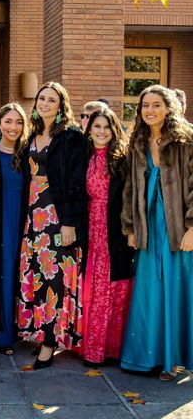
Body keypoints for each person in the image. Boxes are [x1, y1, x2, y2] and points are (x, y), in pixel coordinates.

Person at [121, 84, 193, 381]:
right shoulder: (136, 142)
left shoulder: (186, 141)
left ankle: (175, 360)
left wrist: (192, 227)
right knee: (149, 290)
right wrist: (130, 227)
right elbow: (129, 188)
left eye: (156, 105)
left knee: (178, 288)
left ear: (169, 108)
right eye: (145, 105)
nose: (149, 111)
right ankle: (146, 356)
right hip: (147, 225)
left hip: (178, 226)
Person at [17, 82, 87, 369]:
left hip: (57, 217)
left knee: (55, 278)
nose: (45, 103)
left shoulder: (70, 137)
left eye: (52, 100)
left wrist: (69, 222)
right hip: (32, 216)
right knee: (36, 273)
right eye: (41, 98)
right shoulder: (31, 135)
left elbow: (76, 183)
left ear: (61, 105)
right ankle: (37, 331)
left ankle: (50, 341)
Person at [80, 108, 134, 366]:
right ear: (89, 130)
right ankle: (89, 347)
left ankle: (110, 348)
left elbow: (131, 199)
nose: (101, 132)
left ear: (114, 130)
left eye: (106, 127)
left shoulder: (123, 160)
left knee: (114, 287)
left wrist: (130, 230)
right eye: (96, 126)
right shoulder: (84, 156)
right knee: (91, 285)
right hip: (89, 227)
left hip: (114, 229)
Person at [0, 103, 29, 355]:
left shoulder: (26, 155)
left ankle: (13, 331)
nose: (13, 127)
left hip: (21, 221)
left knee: (16, 271)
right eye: (8, 122)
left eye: (18, 122)